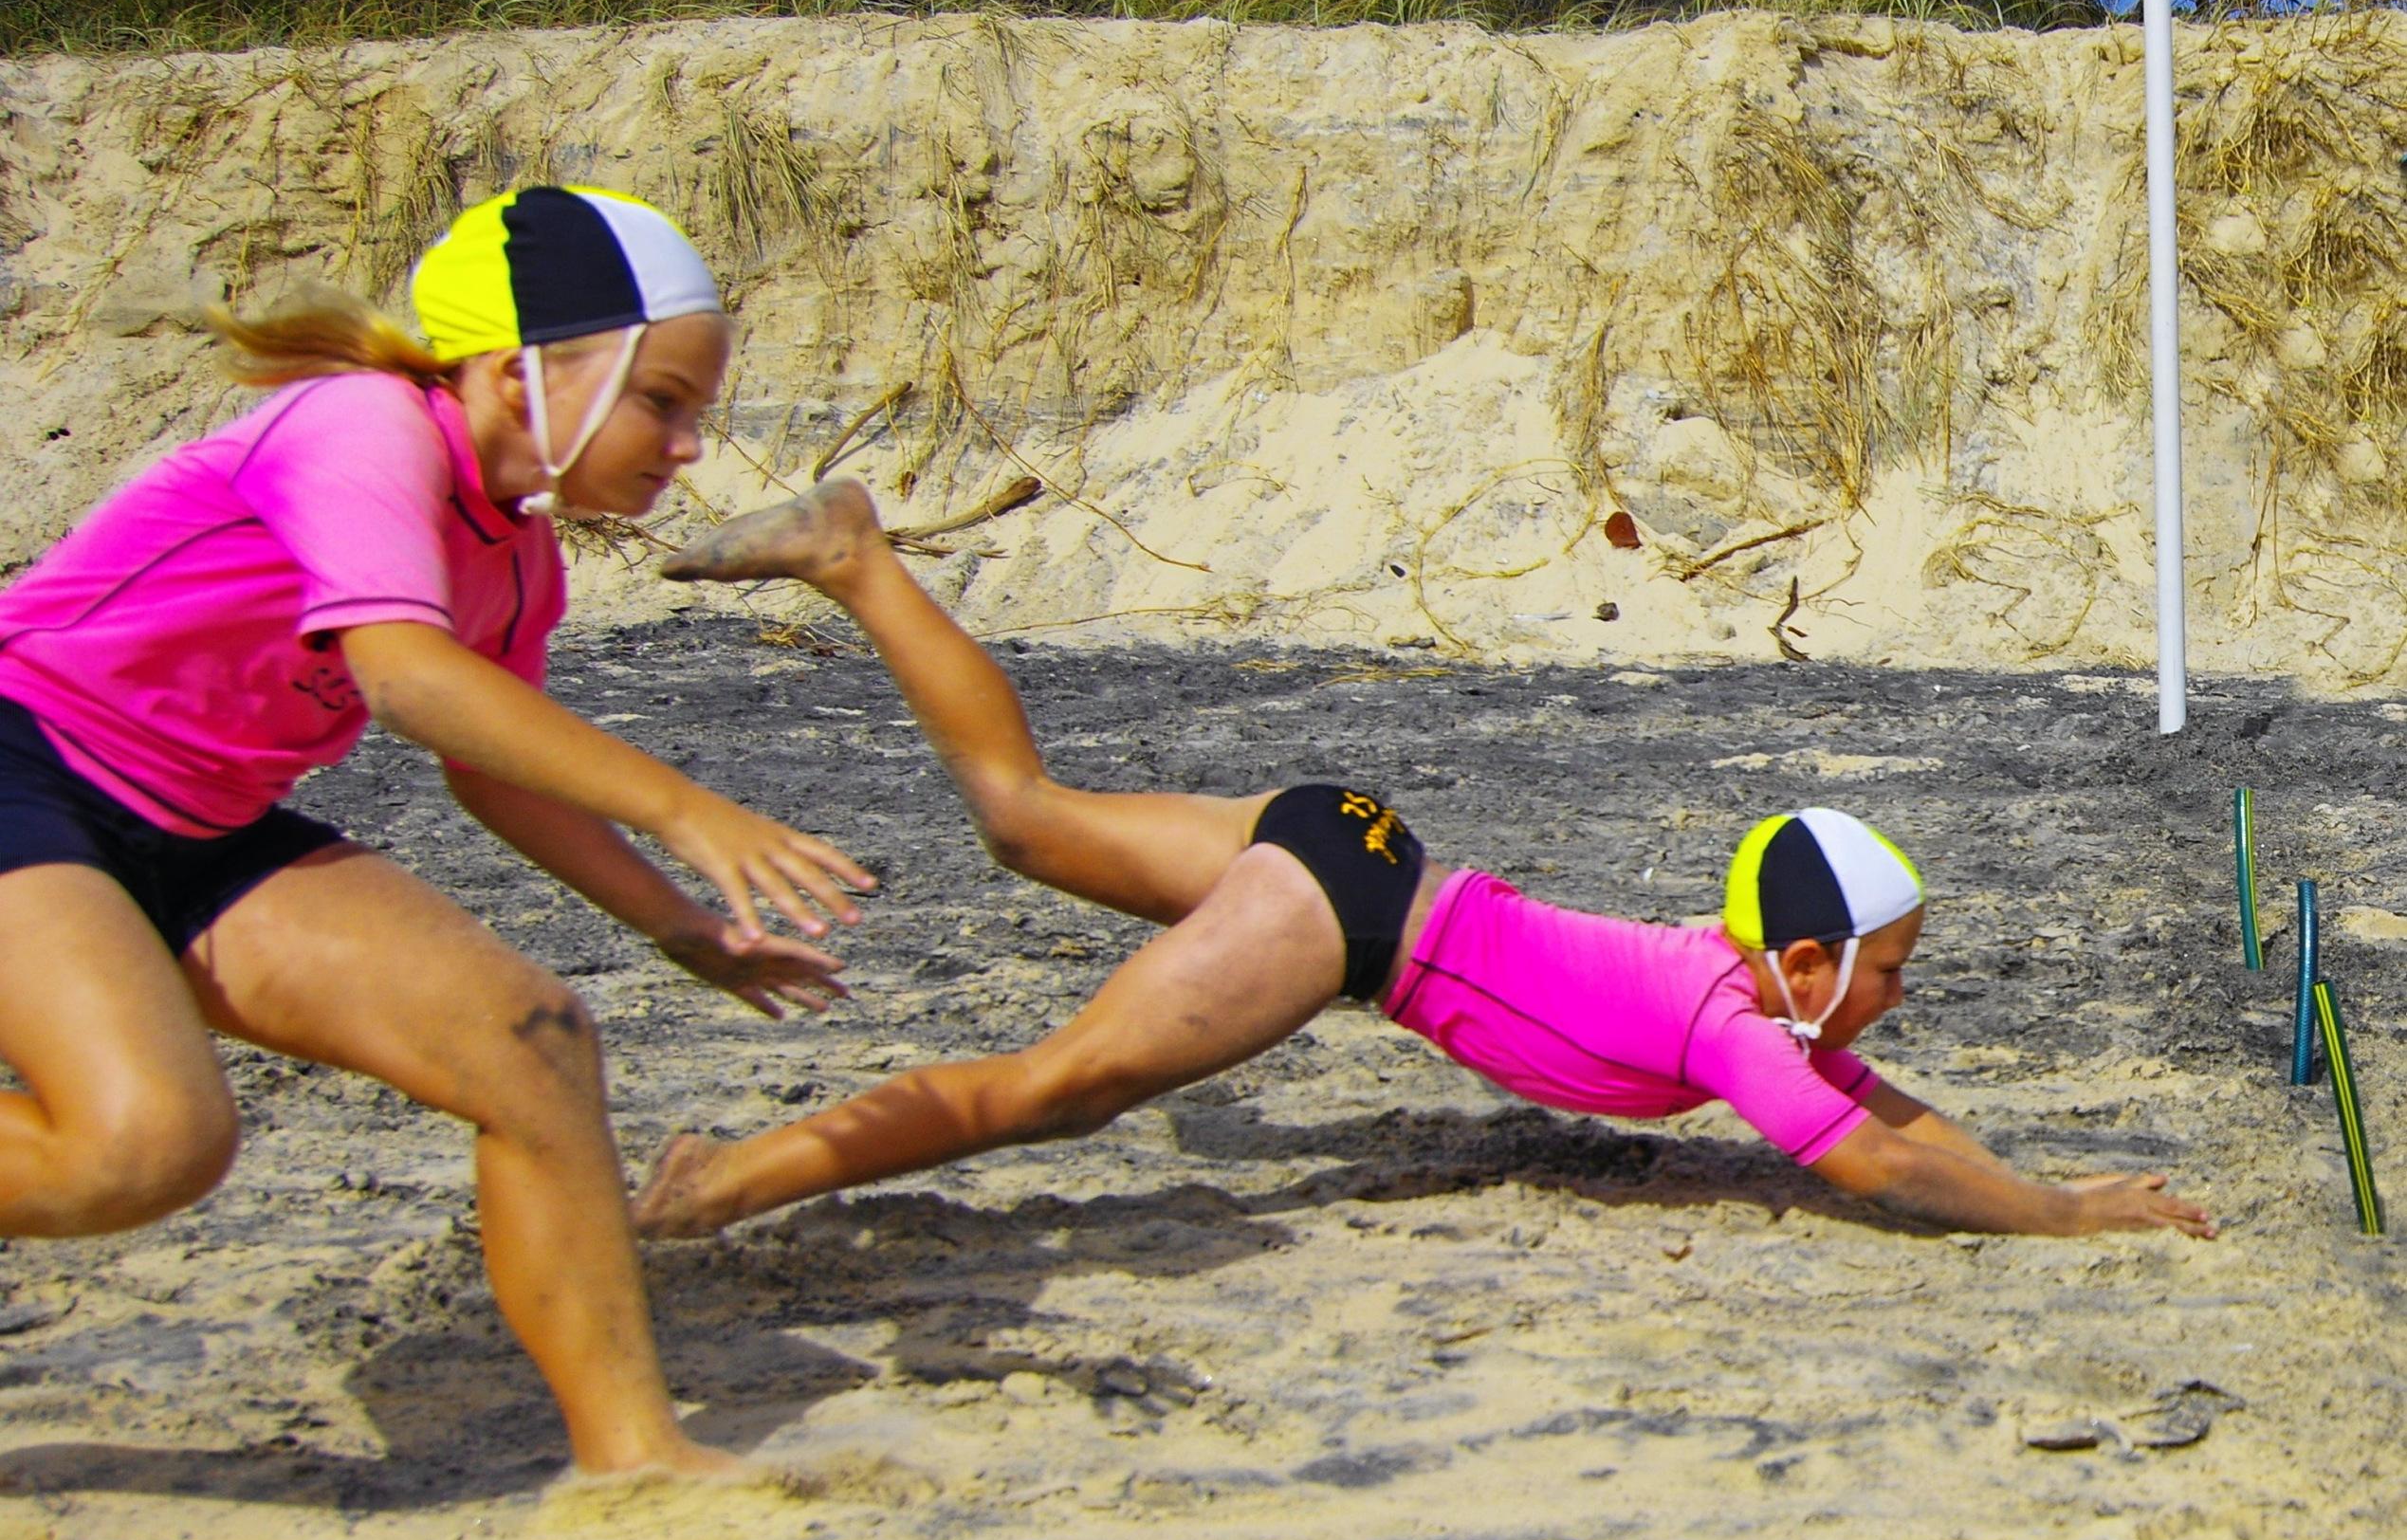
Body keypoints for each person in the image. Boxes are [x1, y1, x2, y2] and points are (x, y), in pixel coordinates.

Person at [634, 481, 2211, 1246]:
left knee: (1023, 817)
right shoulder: (1730, 1027)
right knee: (1064, 1084)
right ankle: (723, 1182)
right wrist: (2060, 1221)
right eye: (1889, 971)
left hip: (1353, 836)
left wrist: (2053, 1183)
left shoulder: (1740, 991)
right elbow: (1865, 1158)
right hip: (1340, 914)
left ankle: (856, 555)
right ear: (1805, 963)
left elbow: (1887, 1114)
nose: (1896, 1003)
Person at [0, 185, 873, 1476]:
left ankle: (638, 1465)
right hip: (26, 764)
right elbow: (406, 675)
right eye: (664, 399)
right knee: (144, 1143)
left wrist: (688, 933)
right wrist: (684, 808)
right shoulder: (360, 426)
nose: (689, 445)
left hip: (194, 829)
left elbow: (494, 768)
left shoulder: (521, 559)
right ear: (525, 371)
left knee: (528, 1039)